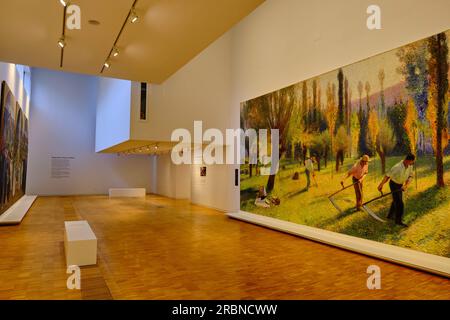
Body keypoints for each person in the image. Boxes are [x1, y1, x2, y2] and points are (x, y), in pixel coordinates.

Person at [377, 154, 415, 227]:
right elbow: (387, 176)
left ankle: (390, 215)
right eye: (412, 162)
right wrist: (381, 185)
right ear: (408, 160)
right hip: (394, 184)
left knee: (396, 200)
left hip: (401, 185)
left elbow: (410, 176)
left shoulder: (410, 166)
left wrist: (405, 185)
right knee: (400, 204)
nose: (412, 163)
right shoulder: (397, 167)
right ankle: (398, 221)